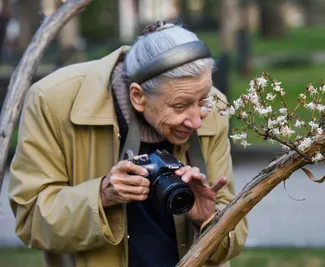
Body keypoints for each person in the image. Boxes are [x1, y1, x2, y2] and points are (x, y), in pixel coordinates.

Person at [8, 20, 248, 267]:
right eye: (180, 106)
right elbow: (31, 220)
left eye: (203, 99)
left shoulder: (214, 107)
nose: (197, 120)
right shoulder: (52, 101)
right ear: (138, 96)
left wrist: (208, 218)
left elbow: (235, 238)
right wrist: (101, 196)